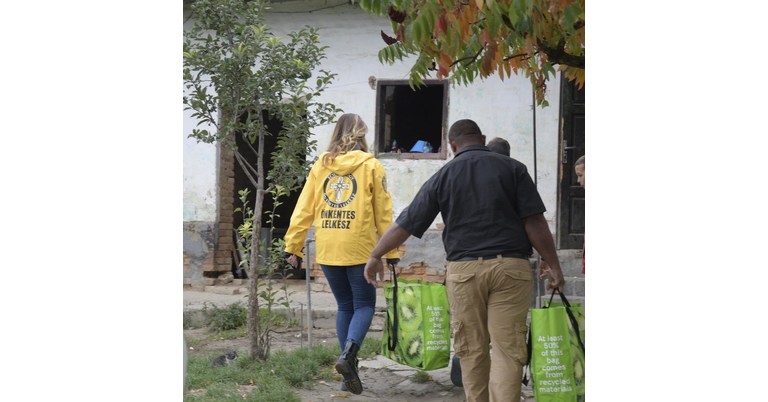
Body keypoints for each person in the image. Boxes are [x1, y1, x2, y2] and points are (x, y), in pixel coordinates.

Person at [363, 119, 564, 402]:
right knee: (508, 350)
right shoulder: (514, 169)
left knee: (471, 349)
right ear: (482, 138)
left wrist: (375, 255)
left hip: (464, 272)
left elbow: (405, 224)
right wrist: (553, 264)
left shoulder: (443, 175)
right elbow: (534, 222)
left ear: (451, 145)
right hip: (511, 268)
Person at [282, 113, 400, 395]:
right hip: (360, 249)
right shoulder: (372, 166)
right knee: (365, 306)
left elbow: (304, 208)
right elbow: (383, 213)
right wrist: (391, 251)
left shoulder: (321, 165)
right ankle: (348, 357)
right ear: (362, 135)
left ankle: (349, 373)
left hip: (328, 247)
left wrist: (293, 245)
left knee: (345, 307)